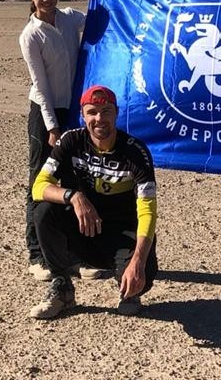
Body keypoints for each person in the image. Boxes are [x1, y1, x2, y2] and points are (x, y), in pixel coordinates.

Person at [28, 85, 158, 320]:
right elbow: (38, 187)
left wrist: (138, 261)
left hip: (122, 233)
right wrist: (73, 196)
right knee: (44, 211)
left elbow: (148, 211)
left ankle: (129, 288)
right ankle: (62, 289)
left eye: (106, 111)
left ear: (116, 113)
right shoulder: (70, 141)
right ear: (83, 115)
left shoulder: (135, 152)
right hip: (86, 229)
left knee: (142, 279)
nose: (99, 119)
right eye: (92, 112)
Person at [18, 0, 87, 281]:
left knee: (74, 177)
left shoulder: (71, 18)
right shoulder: (31, 35)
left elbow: (103, 24)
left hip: (73, 110)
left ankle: (75, 251)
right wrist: (51, 127)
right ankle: (37, 253)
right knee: (41, 177)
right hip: (46, 113)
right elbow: (41, 85)